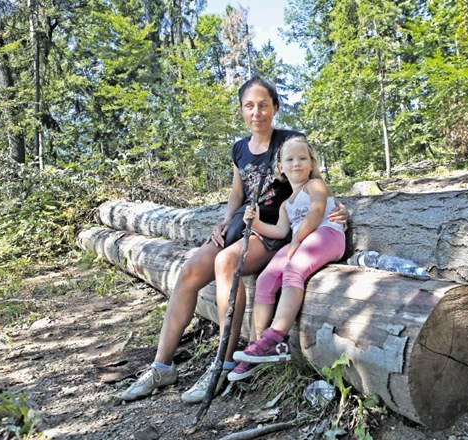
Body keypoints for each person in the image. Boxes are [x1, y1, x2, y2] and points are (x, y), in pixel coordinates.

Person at [119, 76, 348, 403]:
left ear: (275, 108)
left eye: (264, 105)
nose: (257, 112)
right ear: (242, 110)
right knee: (188, 273)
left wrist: (340, 210)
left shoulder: (288, 142)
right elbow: (236, 193)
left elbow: (313, 182)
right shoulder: (239, 149)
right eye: (249, 106)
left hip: (271, 232)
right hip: (240, 225)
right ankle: (162, 366)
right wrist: (225, 221)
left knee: (226, 263)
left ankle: (222, 364)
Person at [226, 136, 346, 381]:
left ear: (312, 164)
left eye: (303, 158)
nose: (297, 164)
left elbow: (316, 213)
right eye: (289, 159)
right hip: (302, 241)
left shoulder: (316, 185)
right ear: (280, 167)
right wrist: (256, 222)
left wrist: (297, 240)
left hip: (326, 235)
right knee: (265, 280)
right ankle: (257, 346)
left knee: (293, 269)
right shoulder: (285, 204)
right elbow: (281, 231)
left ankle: (275, 337)